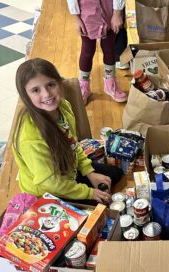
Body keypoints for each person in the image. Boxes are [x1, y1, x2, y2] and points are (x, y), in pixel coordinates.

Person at [12, 58, 123, 204]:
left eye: (51, 85)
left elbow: (73, 144)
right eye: (36, 90)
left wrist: (90, 173)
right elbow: (51, 184)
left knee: (115, 174)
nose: (46, 94)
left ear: (59, 83)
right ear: (26, 96)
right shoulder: (30, 138)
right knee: (100, 208)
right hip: (48, 192)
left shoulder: (63, 107)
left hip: (68, 170)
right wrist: (89, 193)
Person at [67, 0, 128, 104]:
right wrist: (75, 17)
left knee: (109, 48)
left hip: (110, 14)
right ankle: (84, 86)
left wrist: (117, 13)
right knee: (87, 50)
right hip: (87, 15)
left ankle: (110, 83)